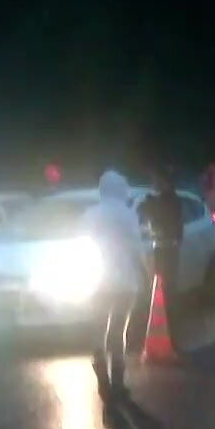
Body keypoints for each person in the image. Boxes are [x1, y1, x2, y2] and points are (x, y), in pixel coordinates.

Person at [82, 170, 145, 401]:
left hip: (97, 281)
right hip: (124, 282)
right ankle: (118, 384)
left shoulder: (89, 215)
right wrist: (144, 273)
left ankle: (102, 382)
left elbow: (83, 246)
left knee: (98, 329)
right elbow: (136, 248)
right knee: (118, 331)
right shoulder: (128, 215)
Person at [137, 167, 183, 298]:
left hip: (168, 247)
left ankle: (169, 306)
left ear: (164, 181)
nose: (154, 184)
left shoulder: (170, 200)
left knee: (166, 283)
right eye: (153, 181)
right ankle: (165, 305)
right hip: (161, 246)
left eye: (156, 180)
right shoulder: (158, 200)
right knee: (161, 283)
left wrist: (151, 205)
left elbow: (167, 222)